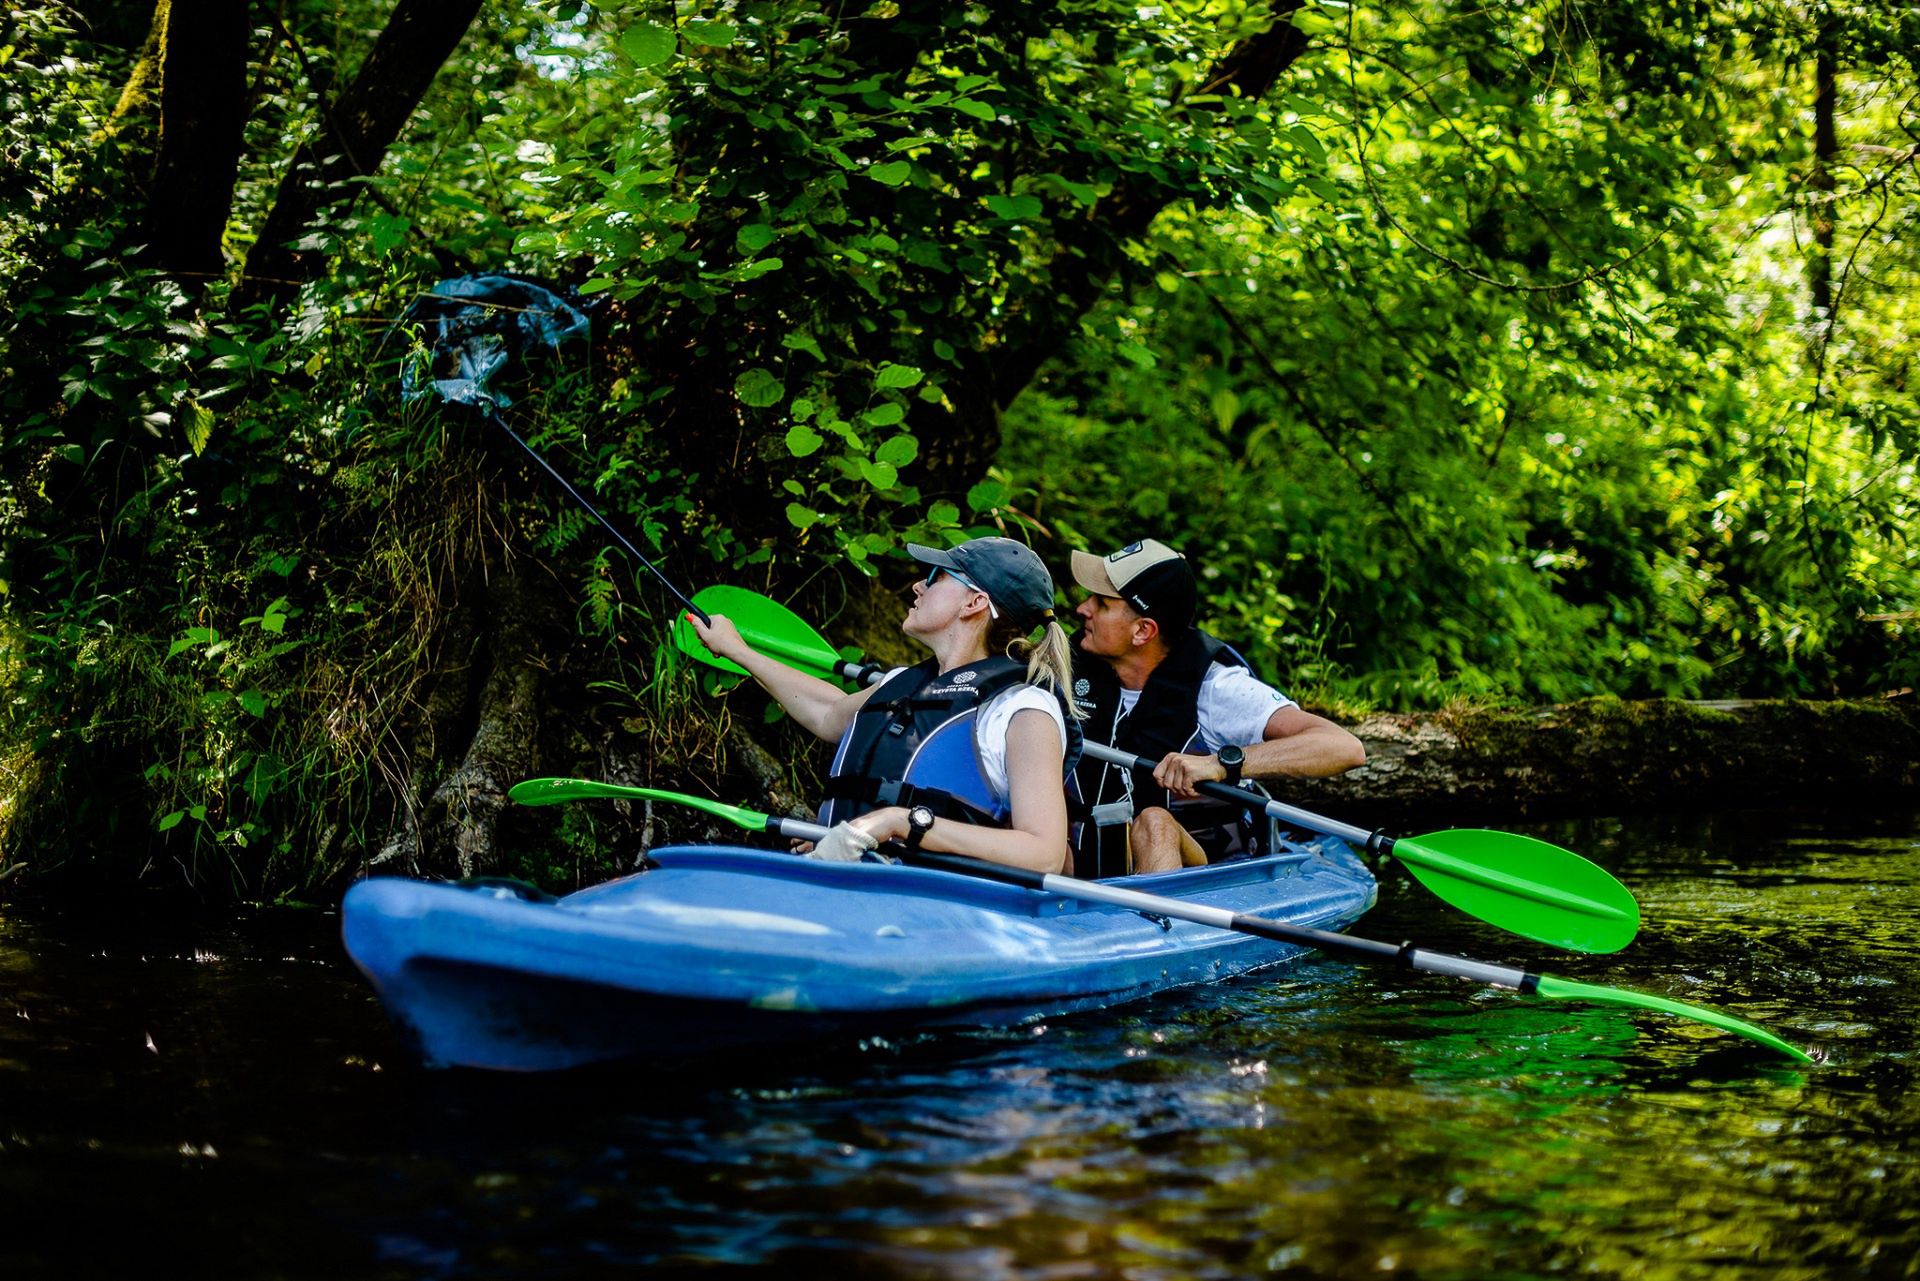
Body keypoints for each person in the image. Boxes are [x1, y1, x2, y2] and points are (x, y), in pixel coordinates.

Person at [689, 537, 1081, 872]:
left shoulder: (1023, 709)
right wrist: (738, 651)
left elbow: (1043, 853)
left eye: (936, 577)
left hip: (943, 909)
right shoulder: (900, 683)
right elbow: (828, 714)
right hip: (856, 883)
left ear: (974, 603)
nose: (917, 586)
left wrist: (898, 822)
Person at [1068, 538, 1366, 877]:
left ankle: (1163, 924)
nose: (1082, 609)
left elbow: (1344, 748)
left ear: (1142, 631)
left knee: (1154, 823)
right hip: (1091, 865)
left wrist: (1221, 764)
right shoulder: (1068, 667)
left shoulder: (1217, 689)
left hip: (1206, 871)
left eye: (1102, 603)